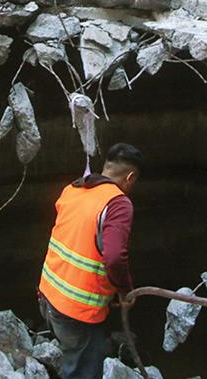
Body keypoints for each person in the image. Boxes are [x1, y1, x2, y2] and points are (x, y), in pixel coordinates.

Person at [37, 143, 143, 379]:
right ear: (130, 176)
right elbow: (115, 257)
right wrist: (126, 291)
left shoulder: (73, 189)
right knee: (83, 372)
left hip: (48, 296)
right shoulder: (118, 203)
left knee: (72, 360)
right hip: (76, 311)